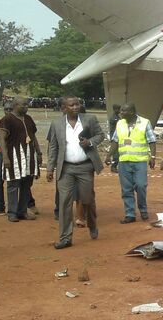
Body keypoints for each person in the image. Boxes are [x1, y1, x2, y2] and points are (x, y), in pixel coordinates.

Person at [47, 96, 104, 249]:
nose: (75, 107)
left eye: (77, 104)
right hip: (66, 168)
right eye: (71, 105)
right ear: (63, 108)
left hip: (85, 167)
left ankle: (92, 224)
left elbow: (100, 135)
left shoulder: (89, 119)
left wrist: (90, 142)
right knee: (64, 201)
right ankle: (65, 237)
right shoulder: (56, 124)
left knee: (87, 199)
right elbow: (53, 147)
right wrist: (50, 168)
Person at [109, 103, 156, 223]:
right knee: (126, 189)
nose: (121, 113)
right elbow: (115, 140)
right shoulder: (120, 123)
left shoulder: (145, 122)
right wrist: (109, 155)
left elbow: (152, 140)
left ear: (132, 111)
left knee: (141, 186)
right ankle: (130, 214)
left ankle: (143, 209)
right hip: (124, 161)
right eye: (121, 111)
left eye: (124, 111)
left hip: (139, 162)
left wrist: (153, 156)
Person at [0, 97, 41, 223]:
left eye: (27, 105)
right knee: (13, 184)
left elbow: (33, 136)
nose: (26, 107)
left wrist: (38, 152)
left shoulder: (28, 119)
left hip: (29, 156)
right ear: (16, 105)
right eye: (24, 105)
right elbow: (1, 139)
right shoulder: (7, 119)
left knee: (26, 184)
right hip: (14, 156)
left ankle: (22, 211)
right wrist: (5, 157)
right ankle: (12, 212)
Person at [105, 104, 121, 173]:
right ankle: (113, 166)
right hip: (114, 138)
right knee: (116, 153)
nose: (119, 111)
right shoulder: (114, 118)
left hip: (118, 137)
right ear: (115, 109)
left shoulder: (117, 117)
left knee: (118, 152)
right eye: (118, 109)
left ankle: (115, 165)